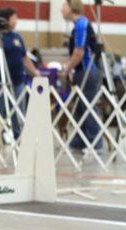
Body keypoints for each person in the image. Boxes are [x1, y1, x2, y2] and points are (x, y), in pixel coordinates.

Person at [0, 8, 40, 139]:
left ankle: (18, 134)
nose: (16, 21)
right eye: (14, 18)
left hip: (17, 81)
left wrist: (35, 73)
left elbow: (24, 57)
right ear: (6, 20)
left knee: (18, 110)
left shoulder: (17, 37)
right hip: (0, 82)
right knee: (0, 110)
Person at [61, 0, 102, 150]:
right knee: (79, 107)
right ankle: (79, 140)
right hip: (80, 71)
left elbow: (79, 52)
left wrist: (67, 69)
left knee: (88, 106)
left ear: (72, 8)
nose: (61, 10)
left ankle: (95, 142)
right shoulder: (77, 26)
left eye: (64, 7)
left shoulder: (81, 25)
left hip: (88, 71)